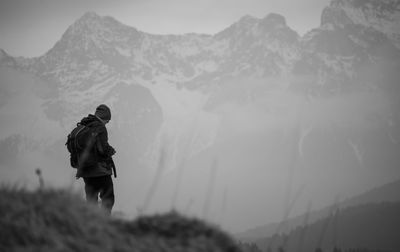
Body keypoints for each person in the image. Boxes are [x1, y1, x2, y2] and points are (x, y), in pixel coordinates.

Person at [76, 104, 116, 215]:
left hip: (86, 171)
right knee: (108, 198)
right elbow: (102, 149)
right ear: (104, 118)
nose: (107, 123)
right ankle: (104, 223)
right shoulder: (100, 127)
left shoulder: (85, 124)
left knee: (91, 200)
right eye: (107, 121)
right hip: (100, 171)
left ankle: (91, 224)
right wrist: (111, 150)